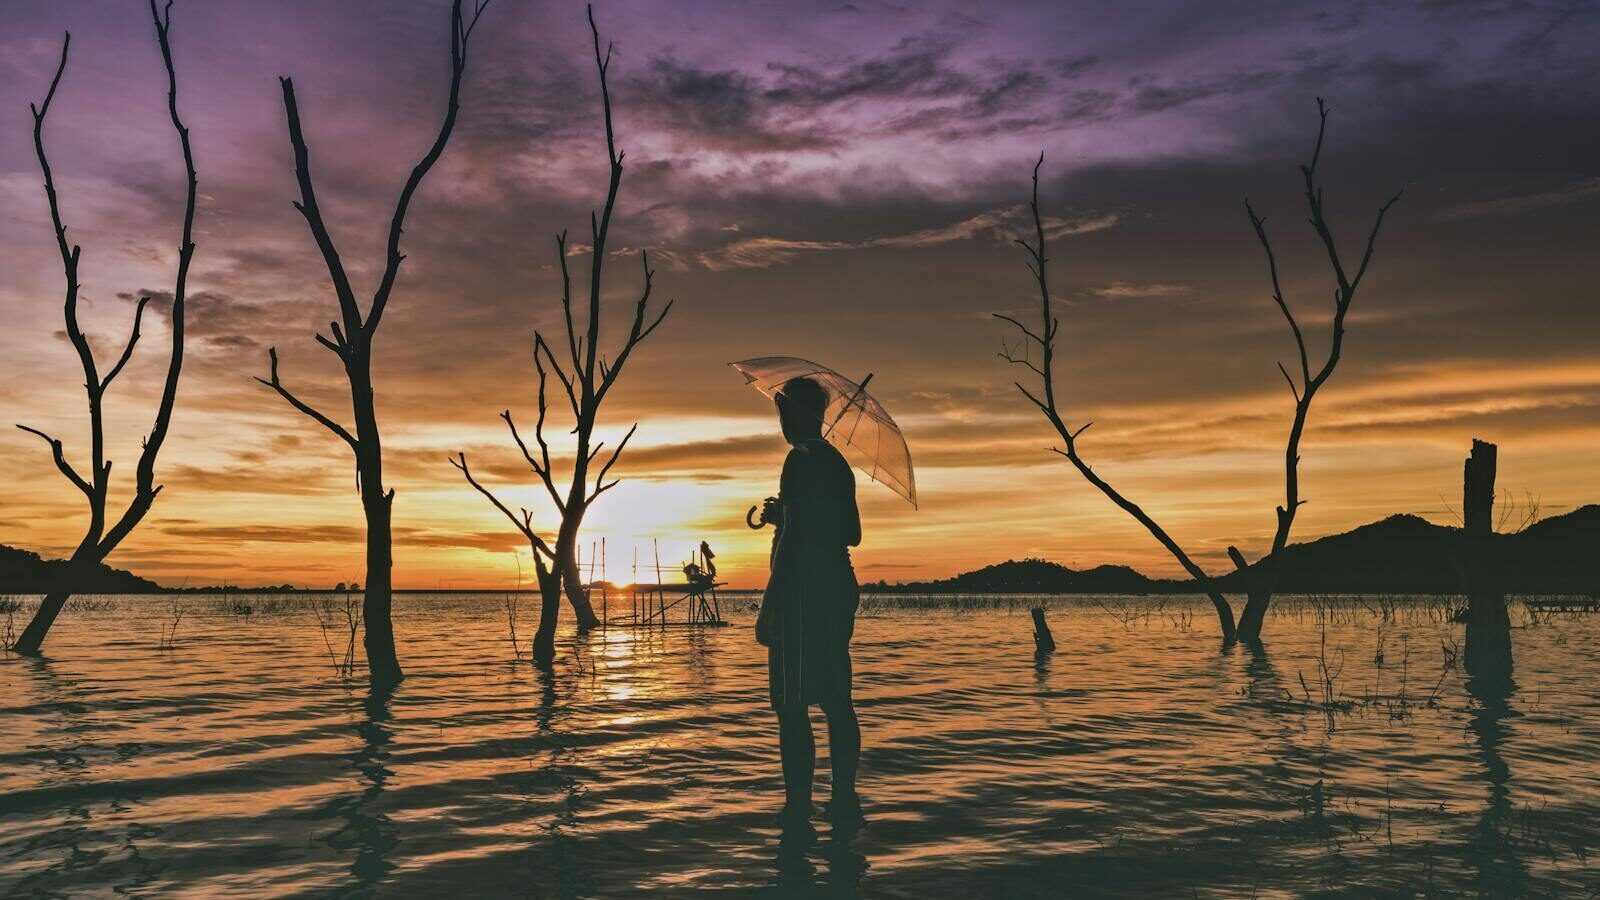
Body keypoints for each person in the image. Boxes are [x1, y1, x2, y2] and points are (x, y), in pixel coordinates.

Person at [755, 376, 863, 828]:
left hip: (803, 590)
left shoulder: (798, 460)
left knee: (791, 704)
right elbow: (852, 534)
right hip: (839, 586)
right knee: (837, 699)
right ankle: (844, 801)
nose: (781, 421)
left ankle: (797, 807)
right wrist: (790, 513)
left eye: (783, 411)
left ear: (797, 414)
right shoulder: (838, 463)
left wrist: (769, 603)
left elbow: (796, 541)